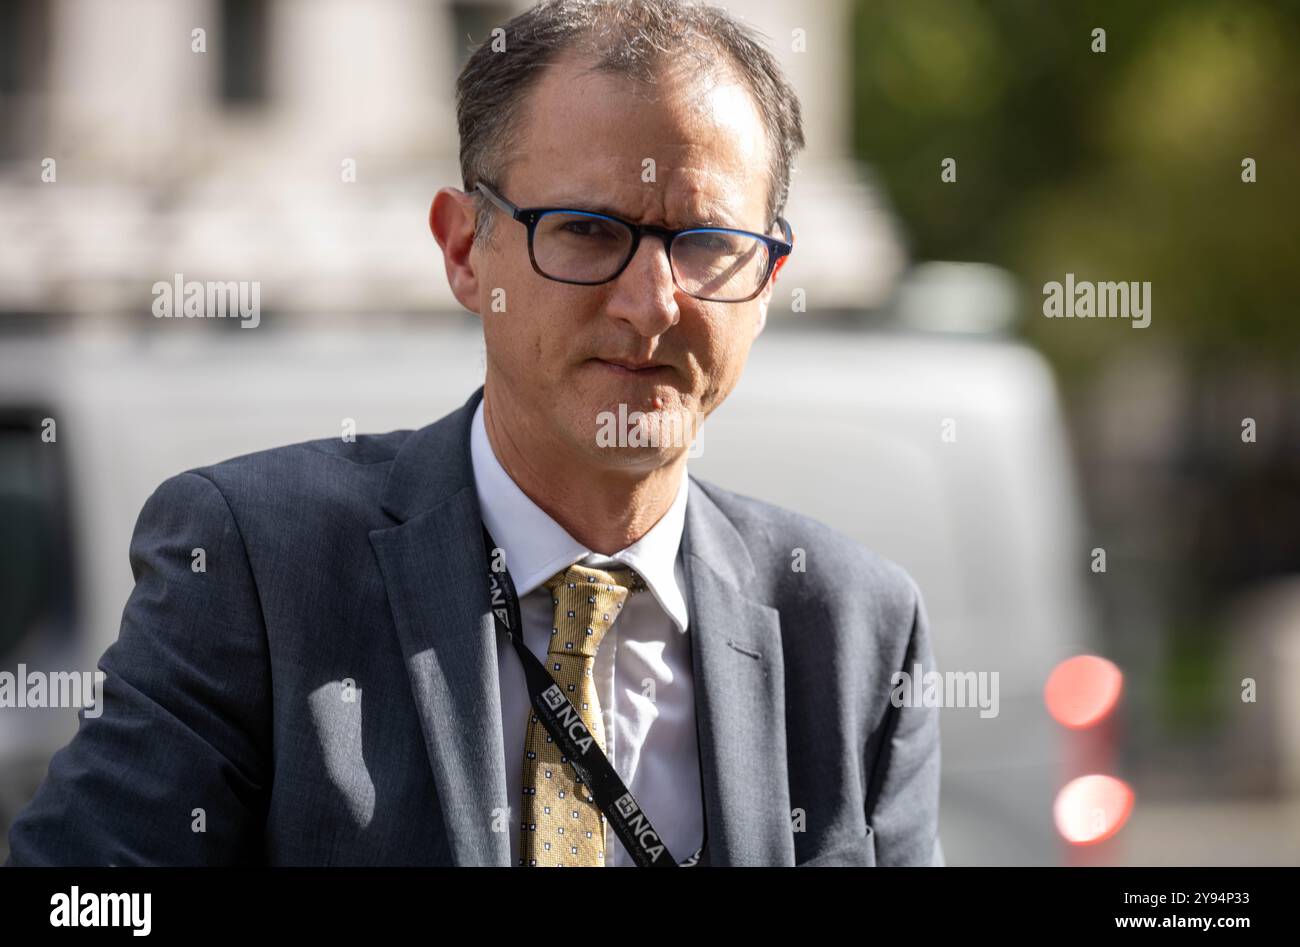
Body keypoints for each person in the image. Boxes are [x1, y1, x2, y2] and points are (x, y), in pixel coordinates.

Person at [5, 0, 942, 867]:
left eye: (705, 244)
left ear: (770, 282)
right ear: (463, 251)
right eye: (587, 231)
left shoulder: (856, 631)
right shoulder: (257, 567)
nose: (653, 304)